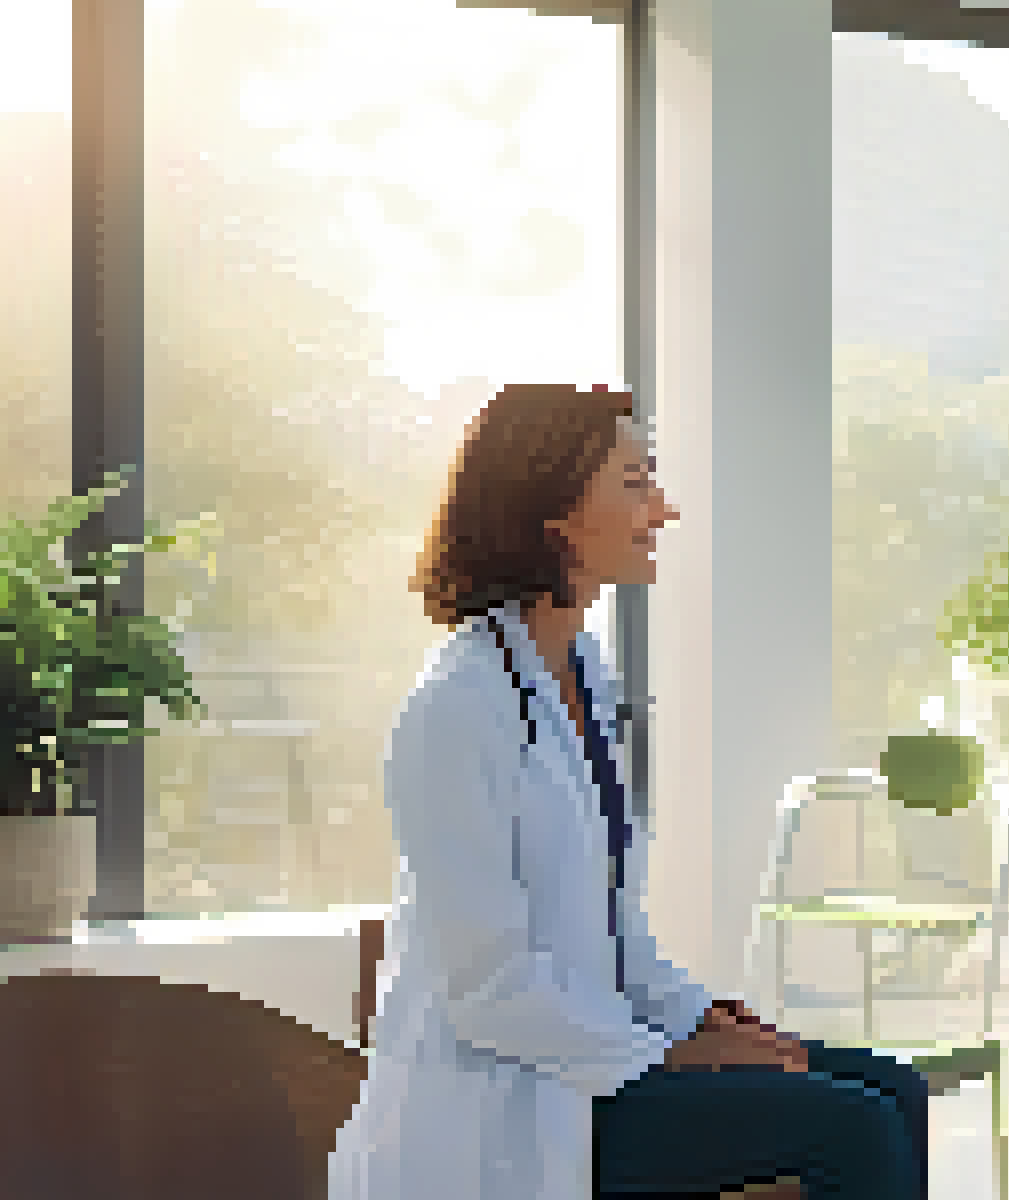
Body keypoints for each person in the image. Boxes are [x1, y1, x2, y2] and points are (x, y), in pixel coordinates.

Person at [328, 384, 929, 1200]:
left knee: (897, 1090)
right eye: (637, 482)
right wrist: (671, 1052)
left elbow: (611, 933)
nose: (665, 509)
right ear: (557, 517)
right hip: (510, 1103)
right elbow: (490, 992)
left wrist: (700, 1018)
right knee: (852, 1126)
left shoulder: (585, 676)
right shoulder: (456, 709)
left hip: (593, 1064)